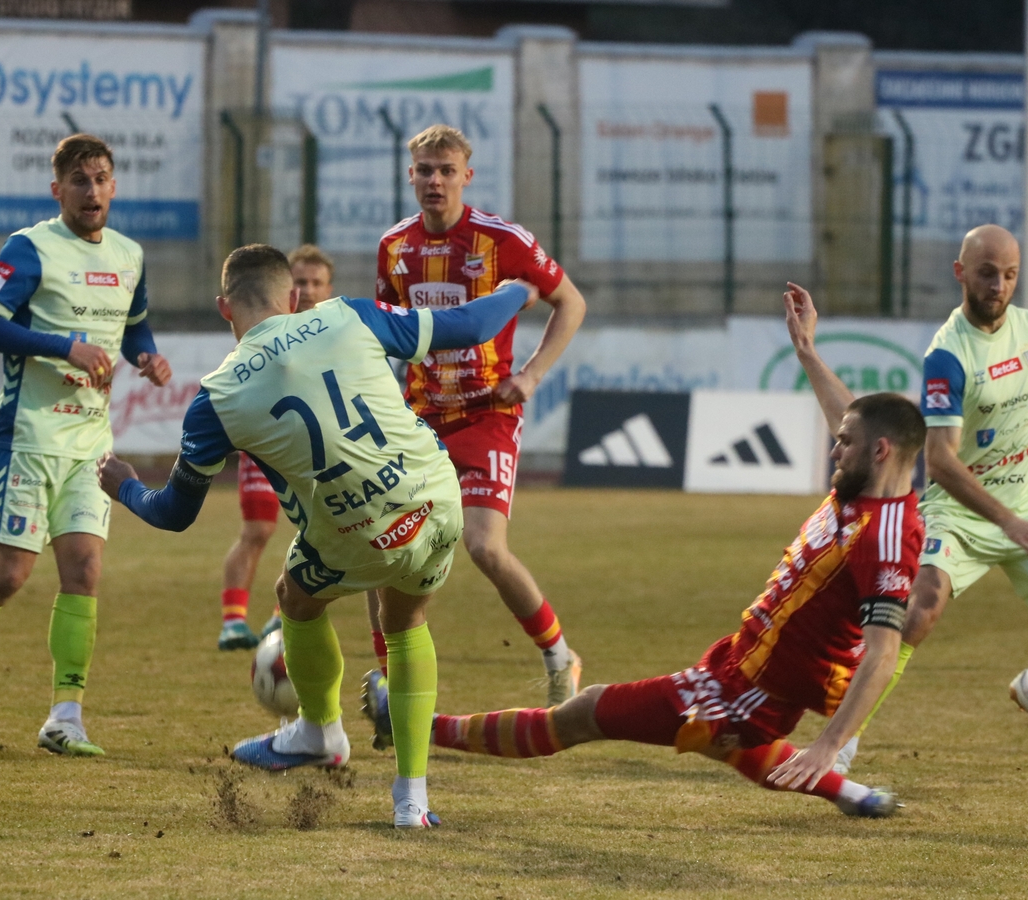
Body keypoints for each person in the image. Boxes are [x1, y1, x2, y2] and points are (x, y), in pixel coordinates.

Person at [367, 285, 925, 819]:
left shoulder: (884, 536)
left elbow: (881, 654)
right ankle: (854, 796)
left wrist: (829, 745)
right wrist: (806, 352)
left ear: (879, 452)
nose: (833, 449)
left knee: (584, 713)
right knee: (730, 744)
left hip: (751, 690)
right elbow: (851, 416)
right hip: (740, 666)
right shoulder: (868, 482)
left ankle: (416, 723)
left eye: (844, 443)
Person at [96, 244, 538, 828]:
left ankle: (320, 732)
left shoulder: (216, 398)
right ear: (295, 297)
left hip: (353, 534)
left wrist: (126, 486)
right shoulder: (348, 314)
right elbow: (473, 325)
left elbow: (174, 513)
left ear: (224, 307)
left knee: (295, 596)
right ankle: (411, 802)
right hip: (435, 504)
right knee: (405, 623)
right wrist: (518, 289)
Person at [0, 134, 173, 756]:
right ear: (57, 190)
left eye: (101, 178)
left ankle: (65, 717)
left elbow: (134, 327)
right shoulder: (29, 248)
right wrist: (63, 346)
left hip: (90, 446)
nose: (91, 190)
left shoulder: (130, 256)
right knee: (7, 577)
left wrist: (148, 357)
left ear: (114, 186)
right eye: (79, 180)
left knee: (84, 571)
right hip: (25, 439)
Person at [835, 224, 1028, 773]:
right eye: (987, 273)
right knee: (917, 612)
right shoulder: (947, 354)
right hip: (959, 513)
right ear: (961, 273)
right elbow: (941, 462)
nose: (999, 286)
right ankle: (843, 742)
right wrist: (1006, 521)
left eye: (1010, 275)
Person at [370, 123, 587, 708]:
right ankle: (388, 680)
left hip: (487, 415)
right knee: (382, 544)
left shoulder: (502, 240)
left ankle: (558, 655)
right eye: (425, 170)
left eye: (447, 171)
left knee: (486, 548)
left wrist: (531, 375)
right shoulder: (395, 246)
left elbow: (571, 302)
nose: (435, 181)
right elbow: (389, 330)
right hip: (420, 418)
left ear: (466, 175)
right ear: (410, 175)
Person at [218, 244, 338, 650]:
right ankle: (233, 622)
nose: (309, 290)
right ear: (288, 288)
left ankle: (278, 617)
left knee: (319, 532)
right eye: (301, 281)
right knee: (257, 529)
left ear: (329, 288)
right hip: (266, 443)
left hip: (317, 450)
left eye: (317, 282)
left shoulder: (336, 329)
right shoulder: (263, 326)